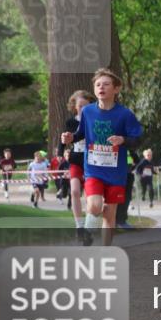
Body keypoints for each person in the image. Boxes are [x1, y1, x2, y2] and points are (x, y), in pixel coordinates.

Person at [61, 68, 143, 246]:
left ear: (116, 89)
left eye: (106, 84)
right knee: (95, 206)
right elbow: (80, 133)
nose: (101, 88)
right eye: (98, 85)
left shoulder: (125, 114)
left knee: (109, 214)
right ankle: (89, 230)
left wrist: (122, 139)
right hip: (93, 169)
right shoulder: (88, 112)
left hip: (116, 172)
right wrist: (71, 138)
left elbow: (137, 139)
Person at [60, 90, 97, 242]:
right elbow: (64, 139)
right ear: (75, 107)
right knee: (74, 191)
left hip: (92, 161)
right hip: (76, 159)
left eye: (86, 106)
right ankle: (79, 226)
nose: (82, 109)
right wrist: (60, 152)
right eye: (80, 106)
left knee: (90, 195)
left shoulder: (95, 120)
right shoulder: (70, 122)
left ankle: (89, 226)